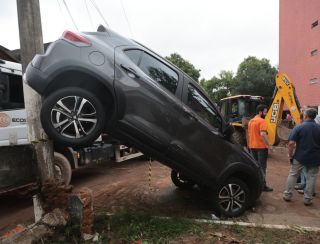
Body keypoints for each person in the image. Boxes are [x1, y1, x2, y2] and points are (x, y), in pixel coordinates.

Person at [283, 108, 320, 205]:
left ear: (306, 116)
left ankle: (287, 195)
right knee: (311, 177)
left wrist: (290, 156)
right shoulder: (319, 128)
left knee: (293, 175)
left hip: (300, 157)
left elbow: (291, 143)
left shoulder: (299, 127)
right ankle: (308, 199)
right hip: (315, 158)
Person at [248, 104, 273, 192]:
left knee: (255, 166)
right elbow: (263, 134)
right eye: (265, 112)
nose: (266, 114)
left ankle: (254, 184)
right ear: (260, 112)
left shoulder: (251, 121)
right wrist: (269, 145)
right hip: (261, 148)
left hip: (252, 147)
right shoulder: (262, 121)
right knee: (262, 167)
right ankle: (262, 186)